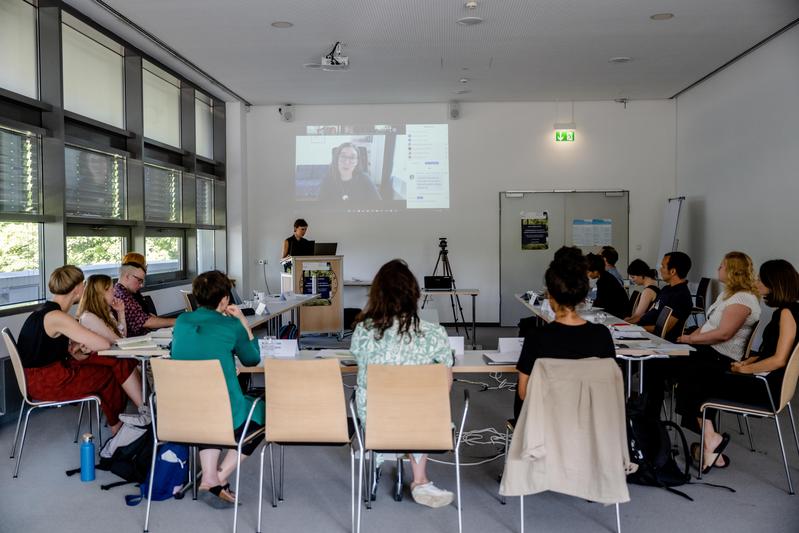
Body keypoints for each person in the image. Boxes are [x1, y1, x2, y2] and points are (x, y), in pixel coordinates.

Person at [350, 259, 454, 508]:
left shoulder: (363, 331)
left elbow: (361, 366)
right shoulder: (434, 333)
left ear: (377, 294)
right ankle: (420, 480)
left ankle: (376, 458)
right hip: (419, 418)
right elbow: (445, 384)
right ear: (414, 293)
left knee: (397, 402)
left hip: (374, 416)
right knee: (427, 402)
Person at [680, 259, 797, 473]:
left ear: (775, 283)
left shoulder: (787, 313)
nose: (757, 282)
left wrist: (744, 369)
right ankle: (710, 443)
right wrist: (749, 361)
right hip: (764, 379)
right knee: (696, 372)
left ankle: (711, 440)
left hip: (766, 389)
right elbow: (770, 352)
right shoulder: (789, 310)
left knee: (694, 376)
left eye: (761, 279)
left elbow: (780, 359)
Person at [171, 270, 264, 507]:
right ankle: (218, 478)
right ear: (224, 299)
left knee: (206, 403)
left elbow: (179, 354)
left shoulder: (182, 321)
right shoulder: (231, 325)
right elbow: (252, 359)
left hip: (183, 410)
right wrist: (244, 323)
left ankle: (210, 478)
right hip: (222, 411)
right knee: (266, 412)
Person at [16, 266, 143, 435]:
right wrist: (83, 345)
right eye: (83, 284)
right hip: (47, 381)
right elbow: (103, 344)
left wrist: (75, 347)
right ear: (76, 289)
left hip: (40, 376)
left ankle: (126, 421)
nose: (84, 287)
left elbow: (56, 349)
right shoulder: (58, 317)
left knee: (113, 363)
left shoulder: (43, 312)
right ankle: (121, 426)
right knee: (109, 372)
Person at [515, 247, 616, 421]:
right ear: (584, 296)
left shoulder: (536, 337)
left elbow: (524, 393)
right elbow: (610, 387)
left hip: (548, 428)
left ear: (550, 296)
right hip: (590, 427)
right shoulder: (602, 335)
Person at [638, 251, 693, 341]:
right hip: (642, 332)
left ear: (672, 271)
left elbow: (662, 329)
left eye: (663, 266)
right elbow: (652, 311)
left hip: (654, 340)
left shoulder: (681, 296)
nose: (660, 269)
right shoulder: (666, 289)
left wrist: (637, 330)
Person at [113, 260, 175, 338]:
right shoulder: (123, 296)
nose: (141, 285)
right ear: (127, 276)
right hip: (138, 340)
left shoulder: (123, 292)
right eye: (139, 280)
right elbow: (145, 322)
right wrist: (177, 321)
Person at [77, 274, 127, 342]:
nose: (114, 291)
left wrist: (121, 312)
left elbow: (122, 335)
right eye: (111, 289)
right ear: (100, 294)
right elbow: (119, 341)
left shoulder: (106, 312)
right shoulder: (89, 317)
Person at [586, 253, 630, 318]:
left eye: (588, 272)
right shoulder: (606, 276)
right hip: (616, 311)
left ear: (596, 271)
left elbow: (599, 304)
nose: (587, 275)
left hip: (618, 315)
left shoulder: (604, 281)